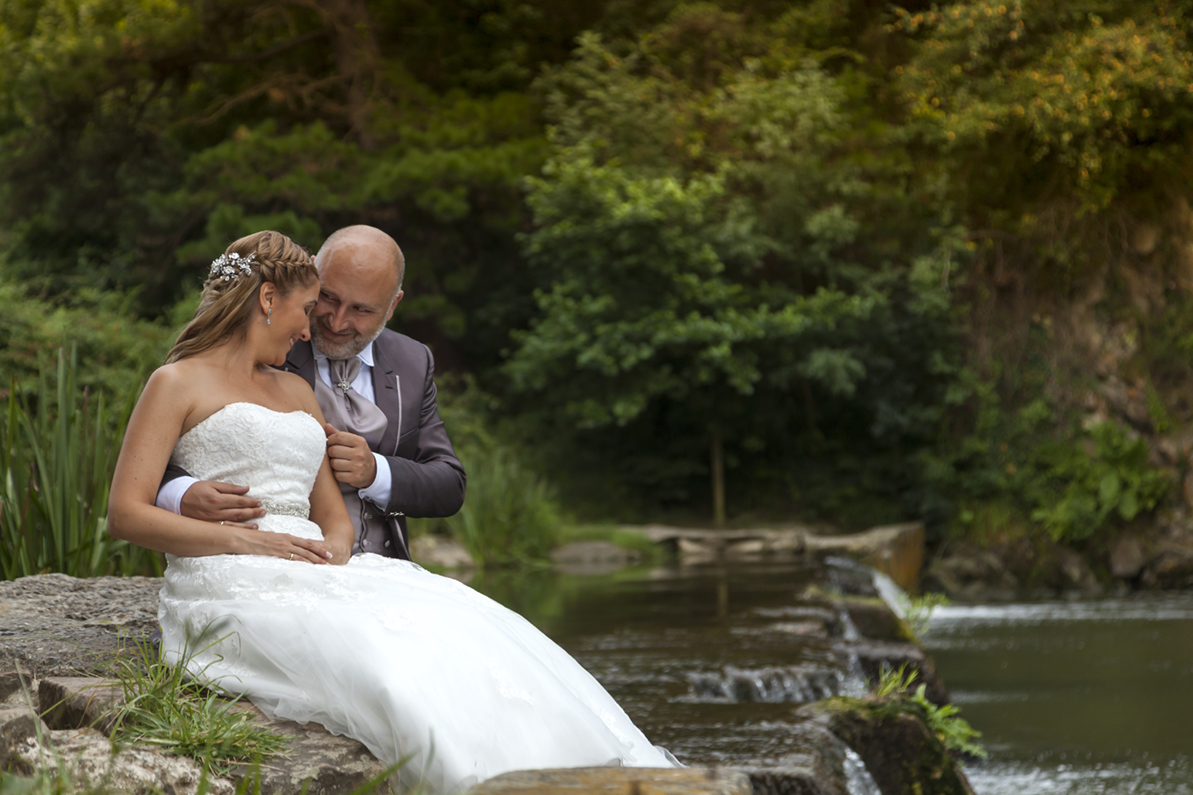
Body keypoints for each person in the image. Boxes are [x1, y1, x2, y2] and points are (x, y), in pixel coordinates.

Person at [108, 231, 676, 793]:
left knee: (469, 631)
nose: (323, 324)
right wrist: (203, 509)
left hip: (332, 564)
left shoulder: (367, 372)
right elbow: (135, 496)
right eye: (318, 304)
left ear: (391, 305)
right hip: (232, 567)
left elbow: (434, 486)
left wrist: (351, 515)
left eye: (360, 309)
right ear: (268, 299)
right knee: (388, 669)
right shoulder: (180, 379)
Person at [156, 225, 463, 560]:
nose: (337, 320)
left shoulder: (413, 362)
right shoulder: (266, 343)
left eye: (362, 309)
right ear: (313, 272)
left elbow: (449, 483)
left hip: (379, 567)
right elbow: (163, 455)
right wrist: (180, 492)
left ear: (392, 306)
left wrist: (375, 472)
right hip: (254, 560)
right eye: (328, 297)